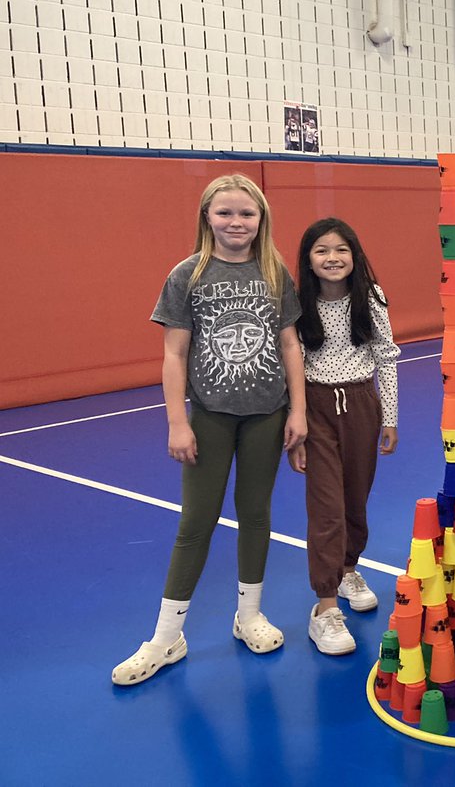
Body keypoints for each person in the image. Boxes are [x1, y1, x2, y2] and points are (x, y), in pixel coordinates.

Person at [112, 174, 307, 685]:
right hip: (210, 416)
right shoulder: (188, 274)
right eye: (225, 212)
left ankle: (249, 616)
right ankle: (166, 637)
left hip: (267, 415)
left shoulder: (275, 272)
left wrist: (299, 410)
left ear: (261, 219)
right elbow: (174, 354)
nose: (235, 222)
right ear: (207, 217)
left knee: (256, 513)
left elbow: (290, 345)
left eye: (246, 213)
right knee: (196, 521)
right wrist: (177, 421)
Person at [288, 218, 400, 655]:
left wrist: (389, 418)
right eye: (321, 250)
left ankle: (349, 569)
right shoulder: (297, 303)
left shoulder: (371, 298)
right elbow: (291, 366)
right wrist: (295, 427)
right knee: (327, 508)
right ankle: (326, 606)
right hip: (314, 408)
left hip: (360, 406)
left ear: (354, 256)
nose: (332, 258)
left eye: (341, 250)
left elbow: (385, 357)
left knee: (355, 499)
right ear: (308, 259)